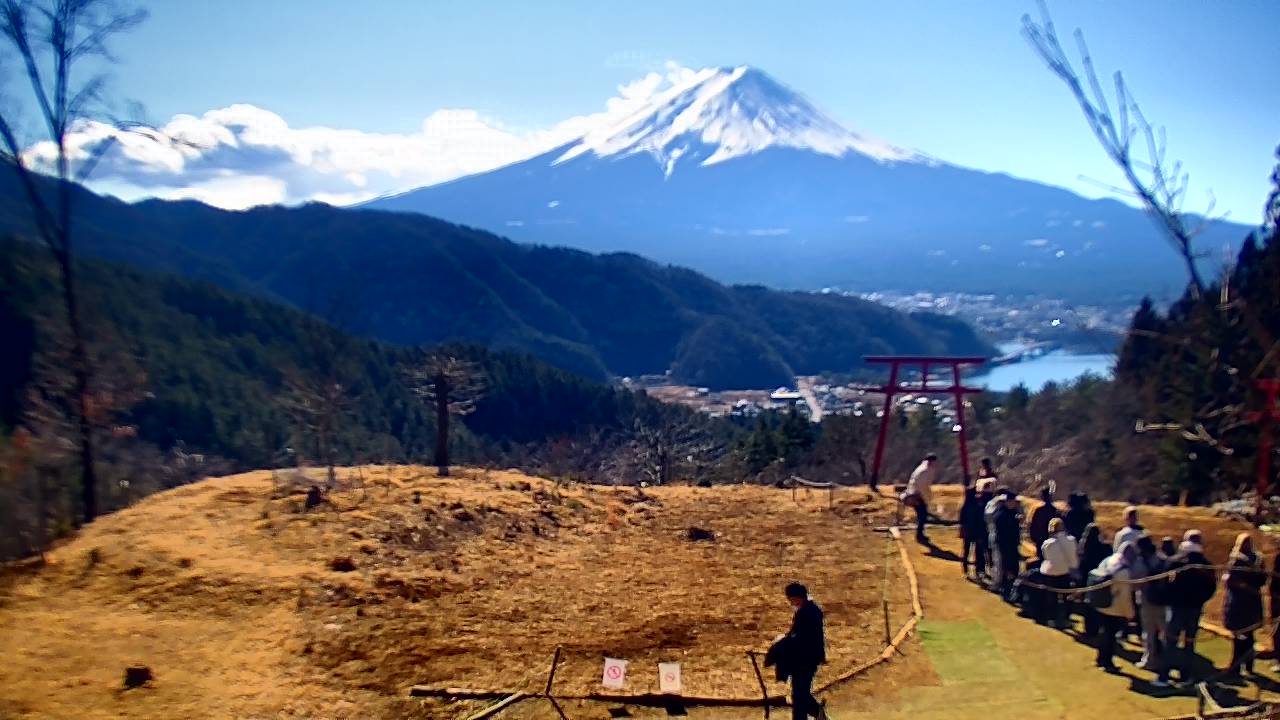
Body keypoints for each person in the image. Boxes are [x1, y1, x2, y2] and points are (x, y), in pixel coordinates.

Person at [771, 583, 827, 720]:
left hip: (807, 659)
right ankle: (817, 714)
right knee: (799, 693)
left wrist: (784, 642)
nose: (790, 602)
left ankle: (819, 713)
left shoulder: (808, 612)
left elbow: (803, 637)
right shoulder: (807, 610)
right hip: (804, 658)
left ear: (797, 597)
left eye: (790, 598)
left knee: (800, 694)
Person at [1166, 531, 1215, 683]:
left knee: (1171, 641)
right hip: (1194, 608)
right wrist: (1200, 601)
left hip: (1178, 607)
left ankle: (1165, 673)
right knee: (1189, 642)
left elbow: (1166, 583)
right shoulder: (1206, 565)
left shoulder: (1177, 562)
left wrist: (1171, 598)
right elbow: (1211, 587)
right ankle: (1185, 675)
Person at [1223, 533, 1266, 677]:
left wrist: (1244, 587)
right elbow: (1263, 580)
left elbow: (1230, 580)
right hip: (1251, 602)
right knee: (1247, 636)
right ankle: (1247, 666)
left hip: (1239, 603)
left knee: (1241, 636)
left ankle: (1236, 667)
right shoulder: (1257, 559)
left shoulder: (1237, 559)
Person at [1134, 535, 1171, 686]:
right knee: (1159, 634)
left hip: (1151, 601)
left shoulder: (1145, 562)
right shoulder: (1162, 559)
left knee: (1153, 633)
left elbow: (1138, 581)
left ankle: (1156, 663)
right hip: (1161, 602)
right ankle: (1156, 660)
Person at [1095, 542, 1138, 673]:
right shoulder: (1123, 571)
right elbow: (1125, 597)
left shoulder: (1109, 560)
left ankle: (1101, 659)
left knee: (1104, 633)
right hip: (1114, 608)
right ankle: (1107, 663)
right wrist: (1130, 614)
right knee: (1111, 636)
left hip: (1101, 603)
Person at [1039, 517, 1078, 627]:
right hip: (1065, 572)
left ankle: (1051, 619)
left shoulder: (1047, 543)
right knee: (1066, 598)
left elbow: (1045, 556)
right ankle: (1066, 619)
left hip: (1049, 573)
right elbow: (1073, 559)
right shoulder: (1071, 540)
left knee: (1051, 597)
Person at [1077, 523, 1111, 637]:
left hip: (1086, 578)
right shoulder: (1104, 547)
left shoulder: (1083, 547)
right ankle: (1098, 628)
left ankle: (1089, 629)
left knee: (1087, 604)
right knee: (1098, 604)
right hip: (1099, 578)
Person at [994, 491, 1023, 599]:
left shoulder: (1013, 513)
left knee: (1014, 569)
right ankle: (1005, 590)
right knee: (1006, 569)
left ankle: (1013, 590)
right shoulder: (1001, 515)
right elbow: (1002, 533)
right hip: (1005, 545)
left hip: (1013, 545)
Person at [905, 454, 939, 543]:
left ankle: (920, 534)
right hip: (918, 496)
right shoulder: (925, 470)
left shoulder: (922, 468)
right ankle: (919, 535)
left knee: (922, 515)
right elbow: (922, 486)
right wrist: (926, 498)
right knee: (922, 516)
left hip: (915, 494)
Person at [959, 483, 988, 578]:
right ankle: (979, 570)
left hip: (969, 531)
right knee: (978, 552)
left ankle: (967, 570)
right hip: (977, 531)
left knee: (968, 551)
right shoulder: (979, 504)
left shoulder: (965, 506)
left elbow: (962, 520)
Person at [1027, 487, 1060, 557]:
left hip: (1041, 540)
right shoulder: (1055, 511)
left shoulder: (1038, 511)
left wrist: (1034, 537)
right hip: (1052, 540)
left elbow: (1033, 526)